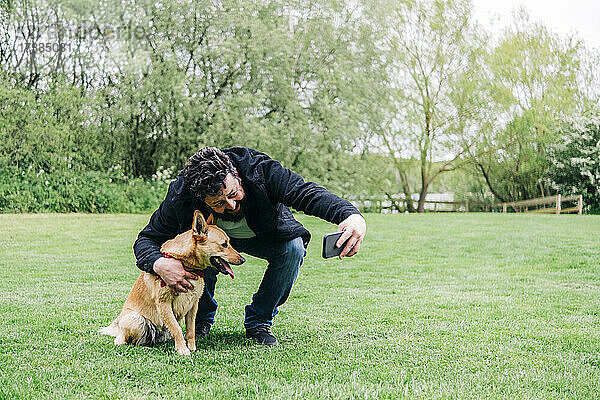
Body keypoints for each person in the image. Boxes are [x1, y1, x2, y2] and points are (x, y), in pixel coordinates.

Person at [133, 147, 366, 346]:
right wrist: (159, 263)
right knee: (198, 253)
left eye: (233, 194)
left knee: (293, 249)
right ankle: (202, 319)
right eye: (219, 203)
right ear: (201, 199)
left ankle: (259, 322)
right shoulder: (182, 195)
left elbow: (305, 192)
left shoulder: (260, 170)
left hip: (264, 234)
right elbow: (147, 239)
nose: (232, 205)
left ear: (236, 174)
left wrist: (349, 215)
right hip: (211, 244)